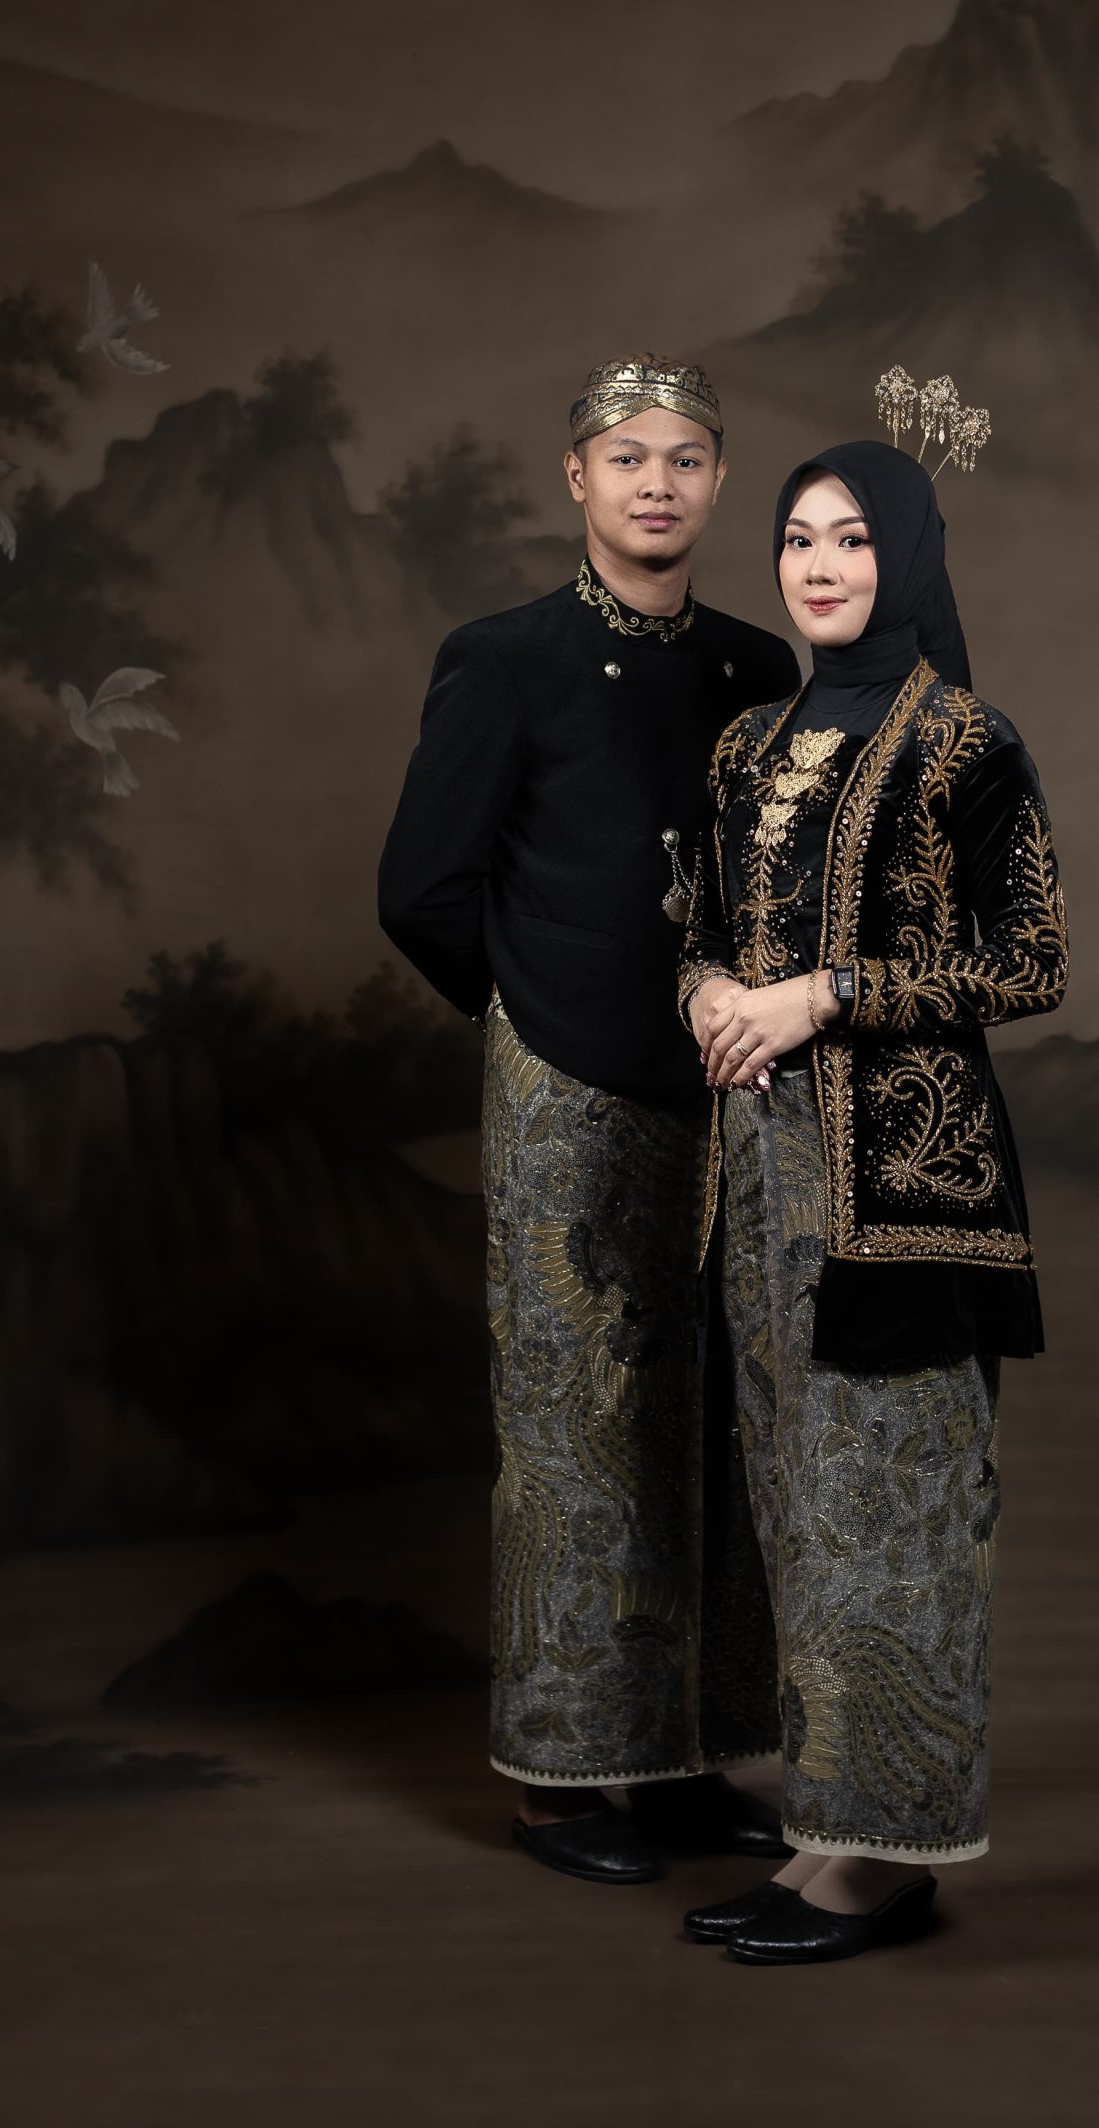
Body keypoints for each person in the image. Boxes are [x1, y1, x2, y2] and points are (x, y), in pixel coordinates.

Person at [377, 355, 798, 1885]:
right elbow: (421, 888)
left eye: (684, 458)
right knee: (573, 1434)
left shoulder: (754, 665)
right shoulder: (503, 657)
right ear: (576, 479)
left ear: (717, 480)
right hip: (566, 1077)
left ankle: (681, 1759)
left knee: (713, 1416)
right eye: (627, 458)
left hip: (726, 1080)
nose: (656, 484)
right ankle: (560, 1783)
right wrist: (526, 1010)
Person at [676, 433, 1068, 1964]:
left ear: (903, 555)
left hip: (907, 1184)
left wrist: (823, 994)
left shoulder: (964, 740)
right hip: (760, 1180)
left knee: (892, 1514)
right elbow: (695, 922)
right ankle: (823, 1836)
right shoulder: (744, 745)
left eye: (850, 538)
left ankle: (888, 1858)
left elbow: (1027, 960)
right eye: (796, 539)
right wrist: (710, 991)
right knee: (797, 1504)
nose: (819, 566)